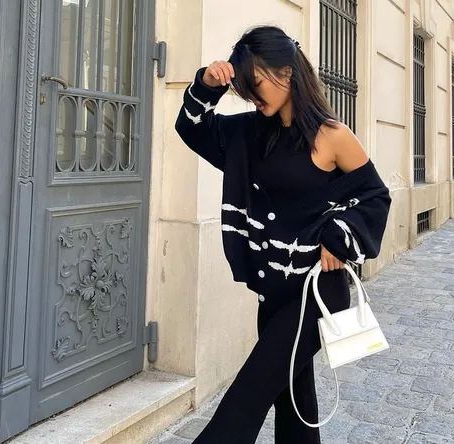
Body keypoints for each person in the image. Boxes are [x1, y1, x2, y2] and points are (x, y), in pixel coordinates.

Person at [175, 25, 391, 444]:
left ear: (286, 72)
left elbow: (375, 196)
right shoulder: (250, 134)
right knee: (294, 401)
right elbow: (191, 128)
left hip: (316, 291)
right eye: (245, 89)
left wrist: (340, 236)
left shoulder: (331, 136)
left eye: (256, 85)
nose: (252, 97)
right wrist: (208, 84)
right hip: (272, 292)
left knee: (248, 395)